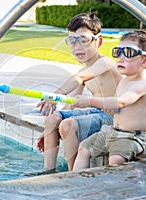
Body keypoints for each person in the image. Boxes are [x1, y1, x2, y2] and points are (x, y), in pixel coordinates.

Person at [35, 12, 122, 174]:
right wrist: (49, 130)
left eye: (84, 40)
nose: (77, 47)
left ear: (99, 41)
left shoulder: (105, 63)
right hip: (97, 113)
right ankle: (47, 172)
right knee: (52, 119)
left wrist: (54, 96)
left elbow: (79, 77)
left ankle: (73, 175)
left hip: (114, 116)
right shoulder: (84, 71)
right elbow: (71, 104)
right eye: (72, 41)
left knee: (68, 125)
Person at [72, 29, 146, 170]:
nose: (121, 58)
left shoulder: (141, 85)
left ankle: (115, 189)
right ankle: (75, 182)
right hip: (113, 131)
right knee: (83, 149)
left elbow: (121, 102)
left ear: (145, 61)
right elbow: (117, 106)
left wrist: (90, 101)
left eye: (128, 53)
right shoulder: (124, 81)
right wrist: (110, 109)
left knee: (116, 159)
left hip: (131, 137)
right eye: (118, 52)